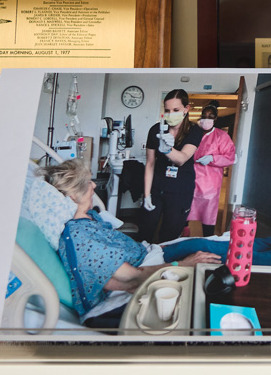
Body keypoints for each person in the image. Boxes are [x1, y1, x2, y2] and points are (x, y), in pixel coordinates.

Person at [38, 159, 220, 322]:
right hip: (144, 268)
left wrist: (160, 248)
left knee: (209, 248)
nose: (93, 185)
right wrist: (183, 264)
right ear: (73, 196)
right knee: (209, 256)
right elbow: (130, 277)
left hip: (148, 255)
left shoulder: (90, 218)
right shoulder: (80, 236)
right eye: (87, 183)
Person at [141, 89, 204, 244]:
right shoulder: (156, 130)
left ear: (186, 109)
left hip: (180, 191)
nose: (171, 114)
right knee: (145, 231)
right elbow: (150, 163)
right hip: (157, 187)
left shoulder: (194, 131)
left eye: (176, 110)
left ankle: (165, 265)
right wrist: (147, 194)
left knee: (169, 235)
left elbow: (181, 159)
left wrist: (167, 149)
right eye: (167, 110)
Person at [188, 101, 236, 237]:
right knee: (185, 209)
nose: (206, 119)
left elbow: (230, 157)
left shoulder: (222, 136)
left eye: (210, 116)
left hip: (210, 182)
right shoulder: (194, 133)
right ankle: (182, 236)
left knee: (208, 213)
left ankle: (208, 241)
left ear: (215, 118)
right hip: (190, 177)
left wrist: (213, 158)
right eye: (204, 116)